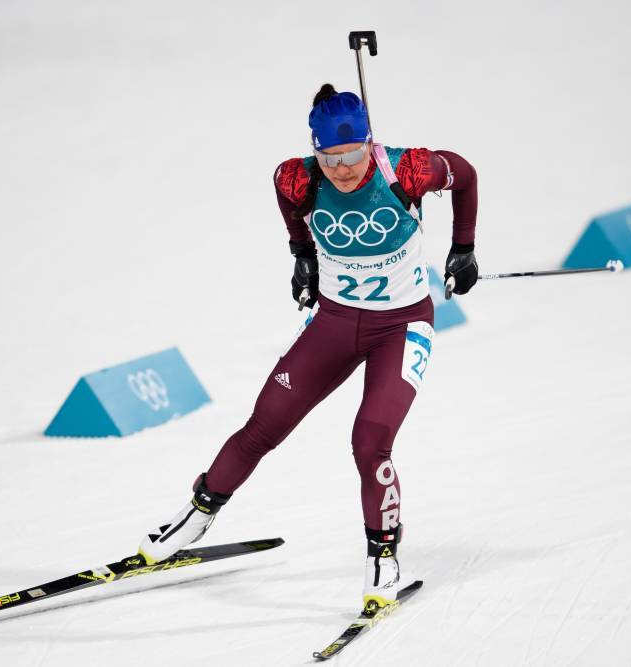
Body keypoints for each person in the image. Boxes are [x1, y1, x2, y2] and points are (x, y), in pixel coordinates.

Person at [138, 84, 479, 612]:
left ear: (369, 142)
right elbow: (286, 200)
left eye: (353, 156)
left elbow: (467, 175)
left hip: (402, 326)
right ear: (315, 151)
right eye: (330, 158)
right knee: (264, 424)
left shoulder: (407, 170)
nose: (342, 170)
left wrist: (464, 248)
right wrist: (301, 254)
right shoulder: (296, 177)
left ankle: (383, 559)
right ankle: (196, 516)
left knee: (370, 441)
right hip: (335, 323)